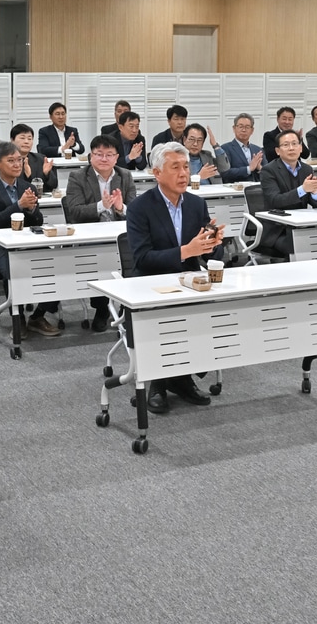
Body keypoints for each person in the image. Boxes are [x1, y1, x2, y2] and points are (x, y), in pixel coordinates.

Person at [125, 141, 224, 413]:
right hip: (150, 283)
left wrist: (213, 243)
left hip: (189, 281)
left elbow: (203, 253)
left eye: (186, 167)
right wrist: (185, 251)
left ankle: (182, 379)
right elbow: (142, 258)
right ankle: (157, 382)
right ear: (157, 173)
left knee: (207, 316)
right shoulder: (139, 208)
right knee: (162, 320)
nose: (183, 174)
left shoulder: (196, 203)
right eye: (175, 168)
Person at [0, 141, 59, 337]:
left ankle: (38, 316)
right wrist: (19, 206)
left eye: (19, 160)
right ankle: (17, 317)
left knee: (57, 265)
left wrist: (31, 209)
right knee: (15, 268)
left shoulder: (26, 185)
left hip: (27, 241)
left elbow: (38, 219)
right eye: (10, 161)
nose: (17, 165)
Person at [63, 134, 138, 331]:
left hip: (119, 234)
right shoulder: (78, 176)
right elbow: (74, 211)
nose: (104, 159)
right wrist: (100, 206)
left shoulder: (125, 176)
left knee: (133, 255)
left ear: (116, 157)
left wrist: (121, 208)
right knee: (100, 261)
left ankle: (127, 305)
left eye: (109, 155)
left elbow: (135, 214)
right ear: (90, 156)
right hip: (91, 236)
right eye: (99, 154)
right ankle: (102, 308)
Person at [256, 130, 317, 258]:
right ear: (277, 151)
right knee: (300, 246)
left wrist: (315, 192)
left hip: (301, 226)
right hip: (278, 230)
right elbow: (275, 200)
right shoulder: (269, 171)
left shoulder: (307, 169)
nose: (291, 148)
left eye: (295, 144)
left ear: (300, 148)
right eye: (286, 145)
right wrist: (303, 189)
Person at [11, 123, 58, 192]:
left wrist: (46, 174)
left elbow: (53, 186)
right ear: (12, 140)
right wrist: (27, 176)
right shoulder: (7, 161)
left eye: (29, 139)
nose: (26, 142)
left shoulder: (40, 159)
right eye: (22, 138)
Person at [220, 113, 265, 182]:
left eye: (247, 127)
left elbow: (269, 172)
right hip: (235, 189)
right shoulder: (225, 148)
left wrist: (260, 168)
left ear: (252, 130)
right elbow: (225, 172)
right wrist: (249, 169)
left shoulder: (258, 150)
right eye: (240, 127)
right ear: (234, 128)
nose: (244, 130)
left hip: (257, 189)